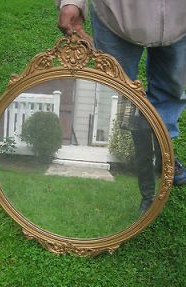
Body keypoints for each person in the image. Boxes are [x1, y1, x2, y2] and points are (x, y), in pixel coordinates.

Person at [56, 0, 186, 212]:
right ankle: (138, 169)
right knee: (120, 98)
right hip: (116, 15)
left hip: (180, 19)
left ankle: (163, 155)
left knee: (170, 92)